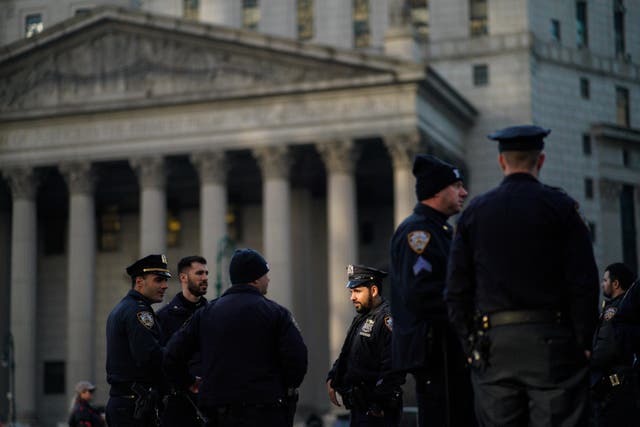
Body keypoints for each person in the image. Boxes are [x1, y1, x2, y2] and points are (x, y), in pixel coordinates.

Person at [445, 125, 600, 426]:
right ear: (539, 161)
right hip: (553, 344)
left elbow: (456, 291)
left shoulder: (475, 213)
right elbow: (584, 281)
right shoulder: (562, 208)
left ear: (502, 162)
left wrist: (469, 344)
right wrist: (584, 339)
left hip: (494, 346)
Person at [163, 248, 308, 427]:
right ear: (255, 279)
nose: (268, 279)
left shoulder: (205, 314)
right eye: (265, 275)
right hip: (265, 410)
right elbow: (297, 361)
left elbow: (171, 355)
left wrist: (188, 382)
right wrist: (278, 388)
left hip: (218, 412)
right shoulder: (276, 313)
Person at [389, 154, 473, 427]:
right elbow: (422, 294)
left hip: (448, 347)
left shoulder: (440, 231)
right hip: (438, 349)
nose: (464, 192)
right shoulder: (418, 233)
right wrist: (465, 312)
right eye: (457, 186)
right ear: (437, 190)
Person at [327, 264, 404, 427]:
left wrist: (378, 403)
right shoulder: (361, 318)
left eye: (357, 291)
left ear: (374, 291)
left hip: (377, 410)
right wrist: (333, 377)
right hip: (360, 406)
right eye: (351, 292)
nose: (352, 297)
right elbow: (347, 352)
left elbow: (393, 367)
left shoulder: (387, 319)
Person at [105, 254, 171, 427]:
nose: (165, 286)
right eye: (158, 280)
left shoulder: (124, 308)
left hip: (127, 403)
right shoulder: (139, 312)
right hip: (134, 407)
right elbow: (150, 357)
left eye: (165, 280)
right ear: (140, 282)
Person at [157, 255, 209, 427]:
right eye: (199, 273)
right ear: (183, 277)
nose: (205, 278)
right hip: (178, 405)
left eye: (206, 273)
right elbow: (161, 361)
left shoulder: (213, 313)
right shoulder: (164, 317)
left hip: (210, 401)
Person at [591, 263, 640, 426]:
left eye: (605, 280)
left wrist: (586, 362)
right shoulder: (625, 308)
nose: (602, 284)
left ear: (616, 284)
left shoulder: (615, 312)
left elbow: (606, 347)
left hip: (614, 387)